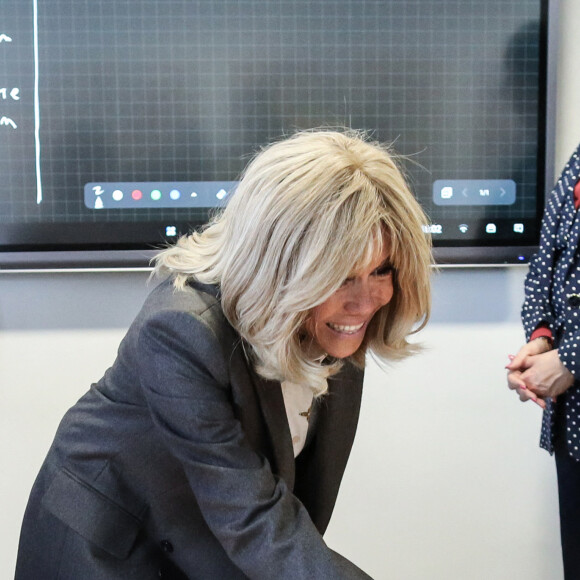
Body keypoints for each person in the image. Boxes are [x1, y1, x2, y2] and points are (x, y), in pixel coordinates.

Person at [15, 129, 432, 579]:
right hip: (111, 546)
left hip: (212, 539)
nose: (366, 299)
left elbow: (288, 516)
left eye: (381, 270)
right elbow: (254, 519)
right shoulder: (179, 331)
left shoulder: (339, 324)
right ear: (283, 265)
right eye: (342, 276)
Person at [506, 143, 580, 579]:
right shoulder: (577, 162)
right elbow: (545, 264)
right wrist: (539, 341)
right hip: (572, 424)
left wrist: (570, 360)